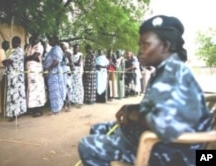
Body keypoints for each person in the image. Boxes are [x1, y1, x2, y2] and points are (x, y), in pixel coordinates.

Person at [78, 15, 212, 166]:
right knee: (99, 129)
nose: (139, 51)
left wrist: (132, 114)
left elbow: (162, 126)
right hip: (165, 144)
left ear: (165, 46)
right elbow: (157, 108)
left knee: (87, 145)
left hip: (174, 154)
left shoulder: (172, 75)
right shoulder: (165, 71)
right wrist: (132, 108)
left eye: (145, 45)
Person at [2, 36, 27, 121]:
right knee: (16, 94)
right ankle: (16, 112)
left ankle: (15, 113)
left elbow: (9, 61)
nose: (13, 44)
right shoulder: (13, 51)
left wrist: (6, 61)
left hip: (16, 77)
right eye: (12, 42)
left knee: (15, 95)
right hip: (13, 76)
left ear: (18, 42)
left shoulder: (18, 51)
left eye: (14, 42)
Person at [24, 34, 47, 117]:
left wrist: (29, 58)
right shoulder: (28, 47)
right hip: (29, 71)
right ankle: (32, 108)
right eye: (32, 38)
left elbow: (35, 56)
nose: (33, 40)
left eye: (35, 38)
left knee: (37, 89)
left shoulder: (39, 47)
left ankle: (39, 110)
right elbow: (27, 57)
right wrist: (31, 58)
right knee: (30, 89)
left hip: (36, 71)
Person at [44, 36, 65, 115]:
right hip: (52, 74)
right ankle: (55, 109)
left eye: (50, 40)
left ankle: (56, 110)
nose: (49, 41)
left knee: (56, 91)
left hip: (55, 73)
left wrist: (47, 69)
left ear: (55, 41)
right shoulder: (53, 49)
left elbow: (56, 61)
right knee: (53, 91)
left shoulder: (56, 49)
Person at [60, 42, 74, 111]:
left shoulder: (68, 53)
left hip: (67, 72)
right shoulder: (60, 53)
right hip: (62, 72)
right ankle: (65, 104)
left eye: (62, 46)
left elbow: (72, 64)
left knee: (67, 88)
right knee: (63, 88)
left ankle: (69, 105)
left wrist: (65, 64)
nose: (62, 47)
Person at [71, 44, 84, 108]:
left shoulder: (80, 54)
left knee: (79, 86)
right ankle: (74, 100)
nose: (76, 49)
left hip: (78, 72)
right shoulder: (71, 54)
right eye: (75, 47)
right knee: (73, 86)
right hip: (73, 72)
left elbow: (78, 64)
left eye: (77, 48)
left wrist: (72, 63)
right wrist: (72, 64)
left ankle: (79, 101)